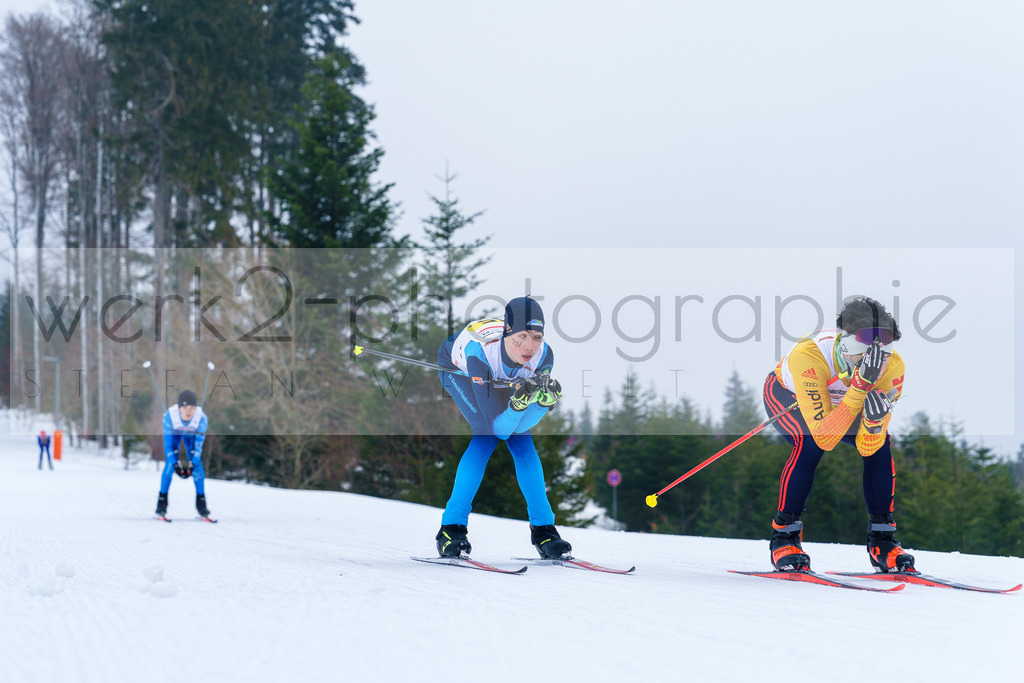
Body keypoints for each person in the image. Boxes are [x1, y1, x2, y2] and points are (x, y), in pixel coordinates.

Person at [762, 296, 914, 573]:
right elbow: (825, 438)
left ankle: (882, 541)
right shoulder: (808, 355)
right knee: (809, 444)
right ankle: (784, 538)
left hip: (843, 402)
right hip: (789, 396)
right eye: (864, 352)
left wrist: (874, 423)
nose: (874, 364)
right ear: (845, 345)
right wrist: (858, 388)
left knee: (881, 448)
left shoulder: (892, 368)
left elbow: (868, 447)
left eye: (883, 355)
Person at [434, 296, 571, 559]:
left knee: (522, 442)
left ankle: (544, 530)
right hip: (458, 369)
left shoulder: (544, 356)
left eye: (537, 337)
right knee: (485, 436)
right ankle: (451, 529)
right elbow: (499, 428)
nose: (530, 346)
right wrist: (518, 407)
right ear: (508, 332)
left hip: (500, 375)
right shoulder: (479, 354)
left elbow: (519, 428)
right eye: (522, 336)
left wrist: (539, 407)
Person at [155, 390, 211, 518]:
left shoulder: (201, 418)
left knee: (197, 467)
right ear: (179, 408)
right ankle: (161, 504)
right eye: (185, 407)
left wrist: (193, 462)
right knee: (170, 466)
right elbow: (169, 446)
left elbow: (198, 445)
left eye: (192, 407)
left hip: (191, 436)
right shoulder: (170, 417)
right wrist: (176, 463)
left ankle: (201, 504)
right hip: (175, 434)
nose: (188, 411)